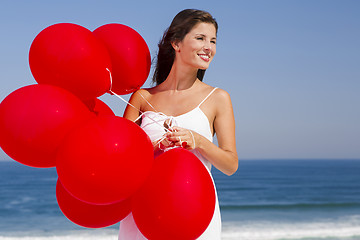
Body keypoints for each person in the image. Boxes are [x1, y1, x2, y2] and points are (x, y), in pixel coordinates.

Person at [118, 9, 238, 240]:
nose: (209, 47)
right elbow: (122, 162)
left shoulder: (218, 98)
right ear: (176, 43)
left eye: (213, 41)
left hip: (194, 212)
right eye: (200, 38)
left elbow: (230, 165)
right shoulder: (142, 98)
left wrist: (198, 141)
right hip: (143, 213)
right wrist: (154, 147)